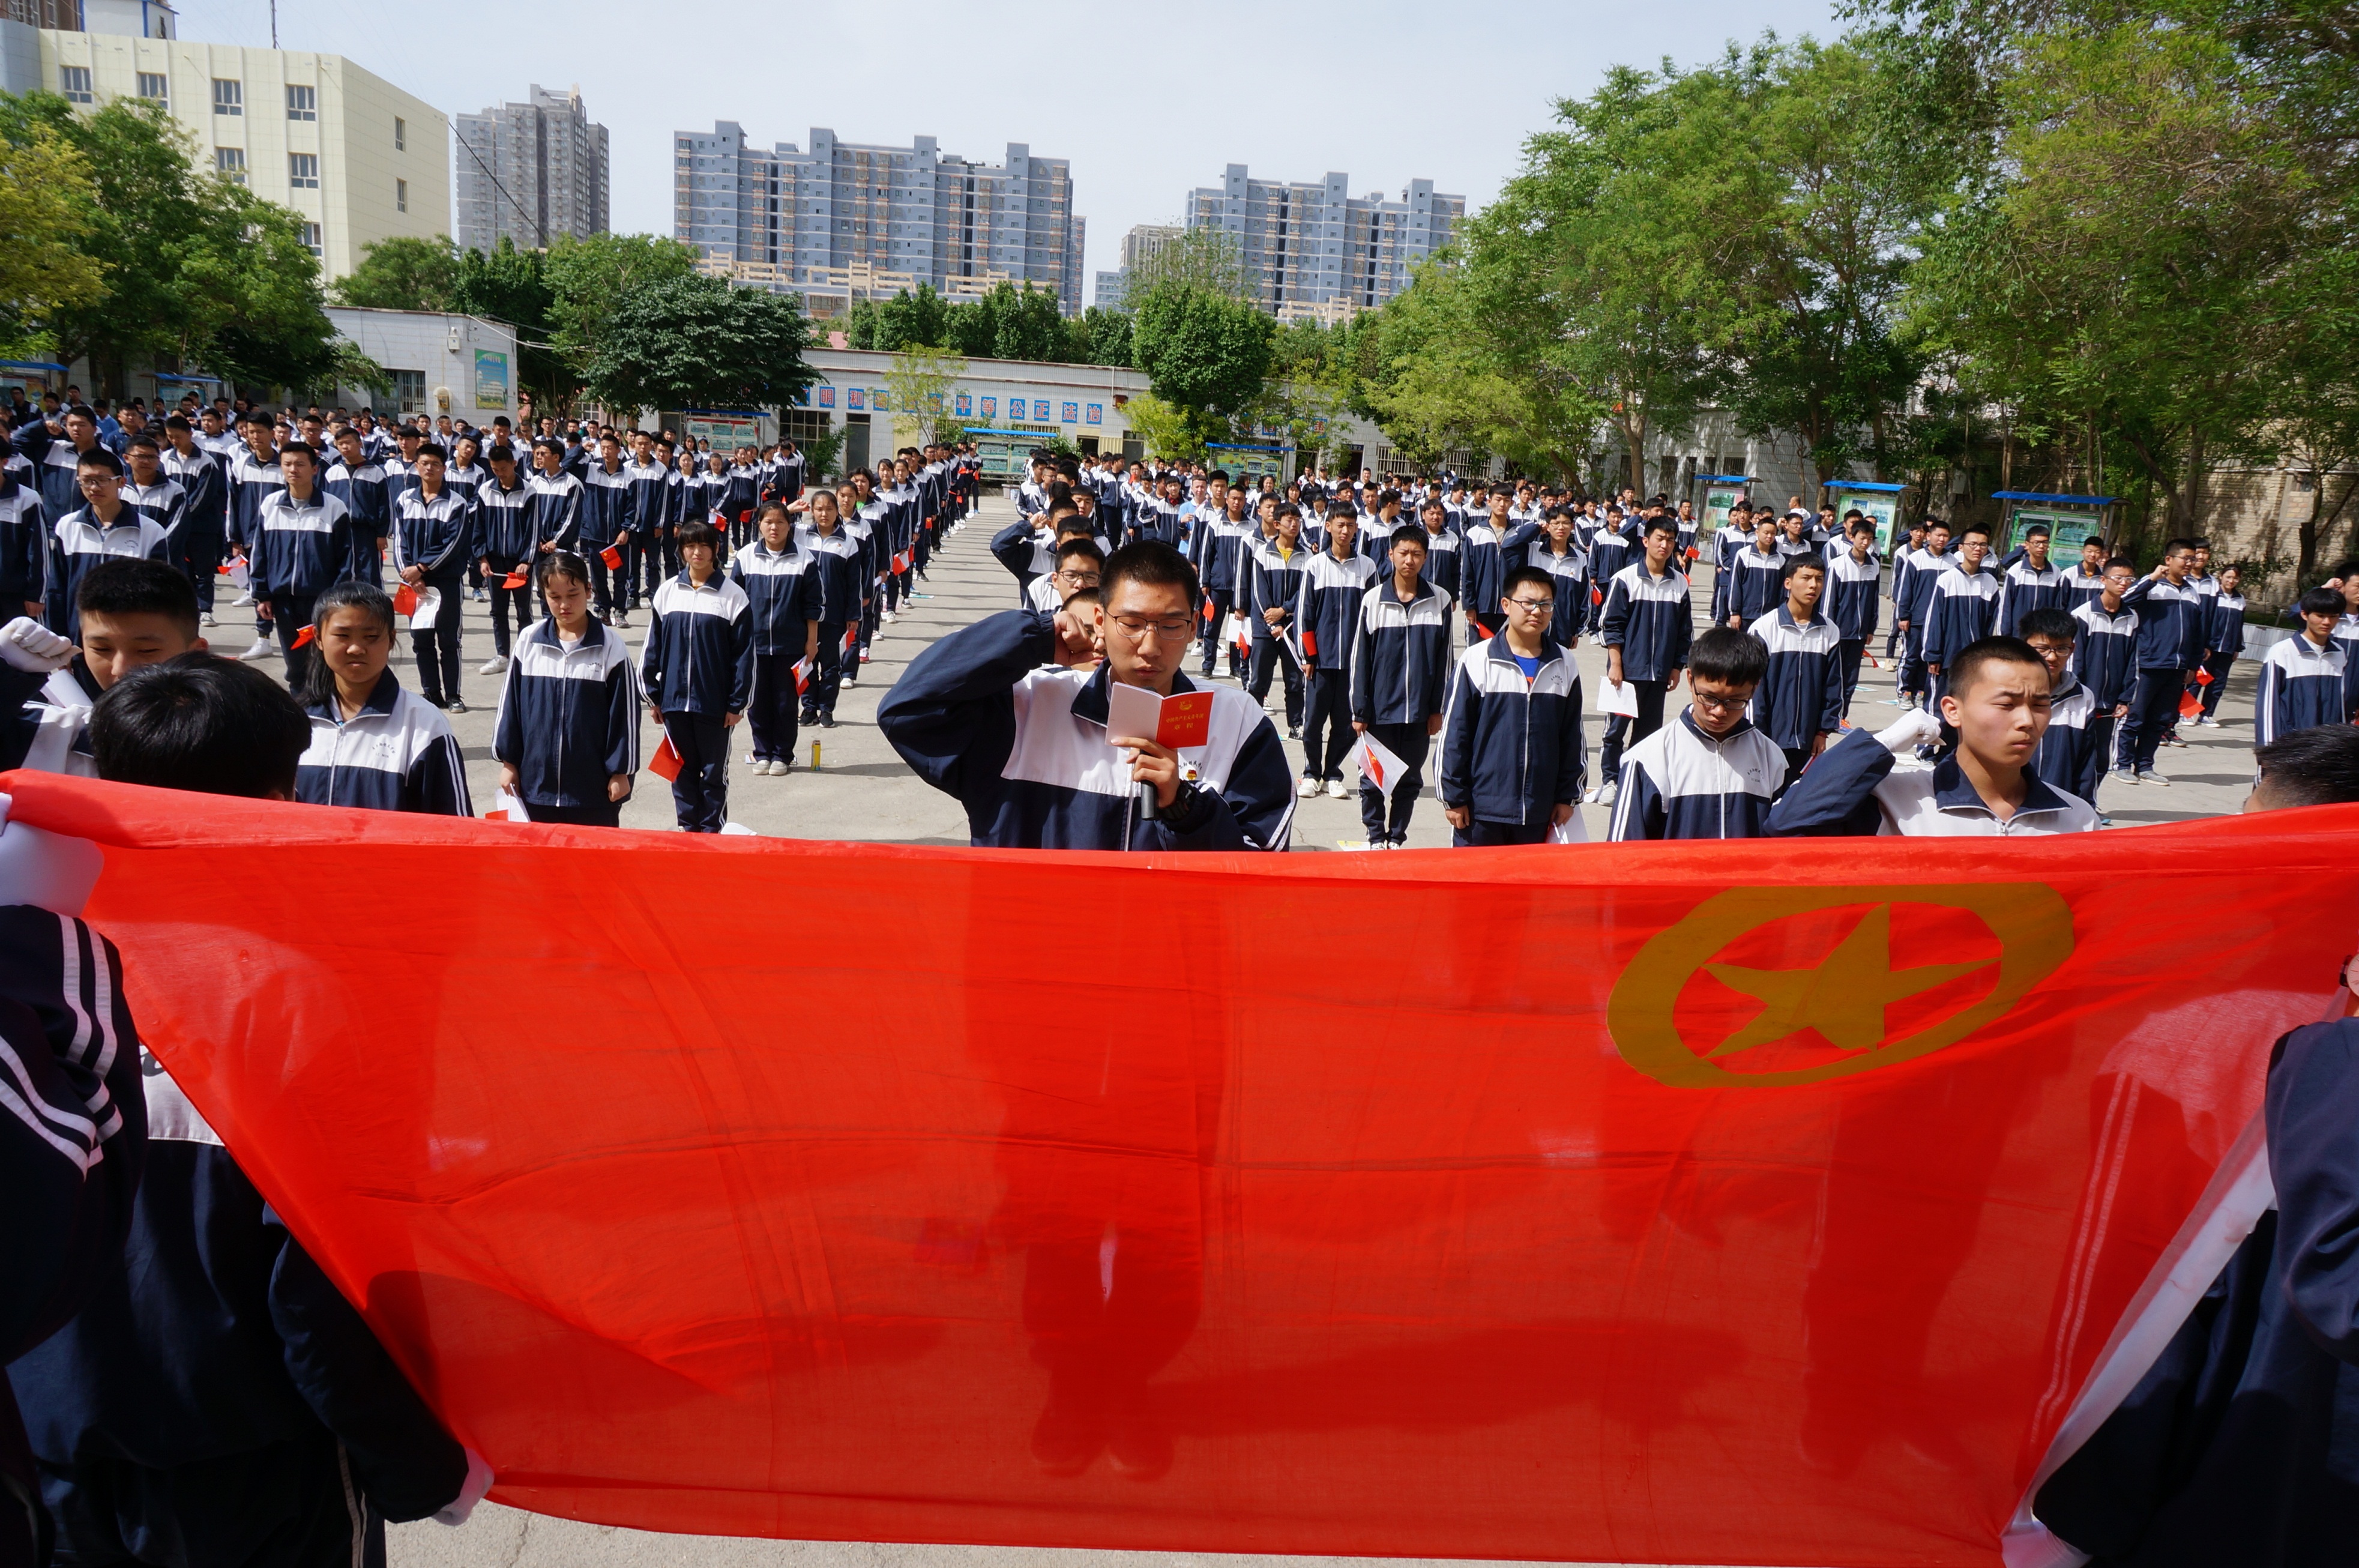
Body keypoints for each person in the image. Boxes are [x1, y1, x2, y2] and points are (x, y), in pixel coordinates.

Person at [24, 651, 492, 1566]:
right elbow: (321, 1292)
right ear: (276, 800)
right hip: (249, 1466)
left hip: (50, 1445)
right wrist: (418, 1466)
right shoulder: (307, 995)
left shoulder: (30, 962)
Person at [879, 540, 1295, 851]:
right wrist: (1032, 639)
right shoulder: (1030, 705)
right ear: (1100, 619)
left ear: (1193, 628)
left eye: (1171, 625)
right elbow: (907, 711)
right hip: (1034, 943)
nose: (1150, 647)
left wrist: (1184, 808)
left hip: (1168, 944)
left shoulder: (1235, 720)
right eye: (1131, 623)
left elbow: (1262, 867)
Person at [1769, 637, 2099, 835]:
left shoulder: (2077, 819)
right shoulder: (1895, 801)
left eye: (2040, 705)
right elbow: (1787, 823)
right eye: (2006, 704)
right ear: (1953, 710)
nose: (2027, 721)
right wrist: (1881, 744)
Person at [0, 559, 206, 776]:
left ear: (196, 653)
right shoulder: (52, 736)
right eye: (101, 649)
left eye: (147, 651)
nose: (120, 669)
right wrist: (7, 673)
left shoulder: (222, 739)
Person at [292, 581, 471, 814]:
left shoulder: (424, 725)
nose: (356, 648)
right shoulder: (292, 720)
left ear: (391, 640)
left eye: (371, 636)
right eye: (343, 635)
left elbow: (453, 825)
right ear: (318, 638)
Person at [1438, 565, 1583, 846]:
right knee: (1475, 875)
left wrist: (1567, 797)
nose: (1537, 612)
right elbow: (1455, 734)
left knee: (1529, 876)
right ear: (1506, 605)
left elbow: (1572, 737)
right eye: (1528, 603)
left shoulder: (1565, 663)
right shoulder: (1477, 660)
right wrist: (1454, 797)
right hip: (1482, 810)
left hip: (1538, 811)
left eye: (1545, 604)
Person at [493, 552, 642, 826]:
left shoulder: (610, 646)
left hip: (592, 789)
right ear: (543, 596)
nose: (564, 605)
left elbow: (625, 716)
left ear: (589, 590)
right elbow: (510, 708)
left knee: (592, 853)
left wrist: (621, 772)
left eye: (573, 595)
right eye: (555, 596)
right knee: (540, 853)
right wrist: (509, 764)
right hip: (536, 785)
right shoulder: (529, 642)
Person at [1608, 626, 1789, 840]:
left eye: (1735, 700)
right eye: (1709, 698)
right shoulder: (1647, 760)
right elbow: (1623, 851)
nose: (1719, 711)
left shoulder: (1771, 759)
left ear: (1755, 688)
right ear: (1690, 679)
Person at [640, 520, 750, 833]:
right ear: (682, 551)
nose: (697, 552)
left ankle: (711, 832)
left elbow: (744, 656)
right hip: (674, 703)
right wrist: (653, 696)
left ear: (716, 549)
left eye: (704, 545)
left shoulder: (733, 596)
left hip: (715, 705)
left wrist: (737, 703)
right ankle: (687, 829)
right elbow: (652, 648)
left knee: (714, 773)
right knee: (680, 770)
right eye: (690, 546)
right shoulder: (667, 593)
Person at [1347, 526, 1451, 848]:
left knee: (1409, 780)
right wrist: (1360, 710)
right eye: (1403, 553)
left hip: (1419, 712)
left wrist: (1437, 709)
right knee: (1373, 778)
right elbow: (1360, 660)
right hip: (1380, 711)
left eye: (1417, 554)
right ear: (1390, 555)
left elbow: (1445, 661)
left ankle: (1396, 838)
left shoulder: (1440, 600)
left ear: (1426, 558)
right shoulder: (1374, 600)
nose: (1410, 560)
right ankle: (1375, 836)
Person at [1594, 517, 1692, 806]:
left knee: (1648, 734)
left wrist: (1676, 667)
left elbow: (1684, 632)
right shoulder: (1626, 579)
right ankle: (1611, 781)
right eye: (1660, 538)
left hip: (1659, 674)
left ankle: (1634, 780)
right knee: (1615, 731)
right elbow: (1610, 625)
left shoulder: (1679, 584)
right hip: (1626, 672)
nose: (1665, 545)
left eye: (1670, 540)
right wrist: (1616, 663)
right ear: (1646, 541)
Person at [247, 441, 355, 693]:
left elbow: (346, 559)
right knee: (295, 664)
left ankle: (324, 705)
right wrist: (262, 595)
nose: (293, 469)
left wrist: (335, 600)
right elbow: (259, 554)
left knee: (323, 660)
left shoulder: (334, 507)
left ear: (314, 469)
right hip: (283, 599)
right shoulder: (270, 505)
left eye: (300, 464)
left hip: (321, 600)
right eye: (287, 464)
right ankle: (300, 707)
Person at [726, 502, 820, 775]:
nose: (774, 528)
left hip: (790, 646)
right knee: (757, 703)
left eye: (780, 522)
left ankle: (782, 755)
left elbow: (813, 605)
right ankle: (762, 753)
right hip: (753, 646)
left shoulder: (804, 558)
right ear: (760, 525)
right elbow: (734, 602)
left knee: (785, 703)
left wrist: (811, 641)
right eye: (768, 522)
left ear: (790, 526)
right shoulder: (746, 557)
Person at [44, 448, 172, 644]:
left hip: (129, 640)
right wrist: (58, 641)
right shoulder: (67, 527)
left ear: (122, 482)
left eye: (102, 480)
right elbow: (57, 589)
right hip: (79, 638)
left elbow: (160, 595)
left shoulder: (150, 531)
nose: (94, 488)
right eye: (86, 481)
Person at [1294, 506, 1378, 798]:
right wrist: (1308, 656)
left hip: (1353, 663)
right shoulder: (1315, 565)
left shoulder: (1367, 567)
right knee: (1313, 722)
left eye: (1351, 525)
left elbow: (1374, 616)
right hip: (1321, 661)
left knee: (1345, 725)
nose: (1345, 531)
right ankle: (1311, 773)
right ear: (1328, 526)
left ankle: (1333, 774)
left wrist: (1370, 660)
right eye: (1340, 525)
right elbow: (1304, 614)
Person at [2113, 538, 2210, 785]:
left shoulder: (2192, 592)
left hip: (2177, 668)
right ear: (2169, 559)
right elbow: (2125, 601)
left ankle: (2145, 765)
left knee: (2160, 720)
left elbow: (2197, 633)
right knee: (2134, 717)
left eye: (2193, 559)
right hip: (2148, 664)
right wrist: (2152, 578)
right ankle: (2121, 764)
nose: (2190, 563)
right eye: (2185, 558)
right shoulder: (2152, 587)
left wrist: (2192, 665)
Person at [1746, 556, 1846, 789]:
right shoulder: (1764, 628)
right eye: (1806, 578)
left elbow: (1833, 687)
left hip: (1807, 740)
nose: (1813, 586)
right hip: (1768, 739)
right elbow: (1753, 690)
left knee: (1795, 798)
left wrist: (1822, 732)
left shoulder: (1829, 631)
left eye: (1819, 579)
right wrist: (1757, 736)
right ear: (1788, 583)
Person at [2019, 606, 2109, 813]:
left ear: (2073, 648)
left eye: (2061, 649)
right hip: (2010, 807)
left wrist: (2085, 810)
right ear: (2024, 646)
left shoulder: (2083, 698)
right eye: (2042, 649)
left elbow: (2086, 764)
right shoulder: (2006, 693)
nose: (2052, 657)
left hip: (2059, 808)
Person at [797, 488, 866, 731]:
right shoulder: (801, 536)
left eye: (829, 509)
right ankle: (808, 708)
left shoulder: (848, 543)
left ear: (838, 511)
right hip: (804, 615)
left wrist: (853, 615)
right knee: (807, 663)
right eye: (819, 509)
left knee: (831, 666)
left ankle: (826, 709)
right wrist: (790, 509)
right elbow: (769, 524)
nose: (824, 514)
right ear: (812, 511)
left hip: (834, 615)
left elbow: (854, 583)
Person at [1243, 505, 1310, 741]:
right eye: (1289, 520)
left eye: (1297, 519)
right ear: (1277, 524)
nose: (1294, 524)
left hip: (1292, 628)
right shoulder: (1263, 554)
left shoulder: (1307, 557)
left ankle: (1296, 725)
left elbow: (1305, 591)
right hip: (1265, 629)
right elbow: (1259, 593)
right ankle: (1250, 723)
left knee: (1295, 680)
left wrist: (1284, 610)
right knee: (1259, 680)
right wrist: (1272, 624)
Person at [2254, 586, 2351, 746]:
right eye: (2320, 616)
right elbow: (2267, 707)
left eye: (2333, 616)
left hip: (2326, 746)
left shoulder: (2339, 654)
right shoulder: (2282, 652)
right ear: (2305, 614)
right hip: (2291, 745)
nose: (2327, 622)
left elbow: (2340, 704)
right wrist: (2267, 751)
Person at [1920, 523, 2001, 713]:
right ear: (1961, 547)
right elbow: (1934, 620)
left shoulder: (1990, 583)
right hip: (1947, 658)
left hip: (1975, 660)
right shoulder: (1947, 580)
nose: (1977, 549)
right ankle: (1931, 734)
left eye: (1983, 545)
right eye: (1973, 544)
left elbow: (1991, 625)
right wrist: (1933, 655)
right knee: (1938, 708)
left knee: (1967, 708)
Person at [1824, 522, 1882, 719]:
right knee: (1834, 677)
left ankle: (1842, 717)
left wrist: (1871, 628)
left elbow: (1874, 600)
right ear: (1852, 538)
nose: (1866, 543)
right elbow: (1829, 602)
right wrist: (1828, 630)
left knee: (1851, 678)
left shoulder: (1874, 565)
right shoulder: (1838, 565)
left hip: (1860, 633)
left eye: (1869, 539)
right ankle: (1830, 716)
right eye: (1862, 538)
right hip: (1839, 632)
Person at [2188, 563, 2245, 726]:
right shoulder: (2214, 596)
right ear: (2221, 576)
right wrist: (2204, 644)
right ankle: (2187, 713)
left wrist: (2237, 648)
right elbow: (2206, 620)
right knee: (2199, 680)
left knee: (2218, 684)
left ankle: (2206, 715)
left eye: (2235, 578)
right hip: (2210, 648)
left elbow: (2239, 625)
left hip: (2227, 649)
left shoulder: (2240, 599)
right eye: (2228, 577)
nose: (2231, 581)